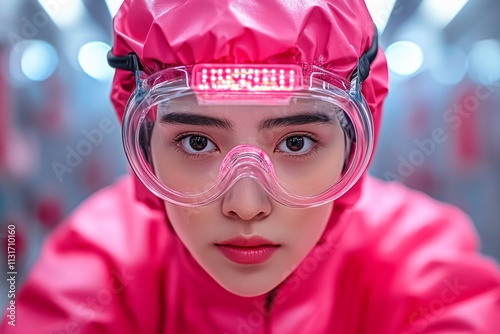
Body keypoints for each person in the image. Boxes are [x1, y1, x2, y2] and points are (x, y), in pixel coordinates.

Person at [2, 0, 500, 333]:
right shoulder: (103, 261)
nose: (246, 205)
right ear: (144, 143)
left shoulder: (419, 260)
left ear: (355, 144)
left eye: (298, 141)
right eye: (197, 142)